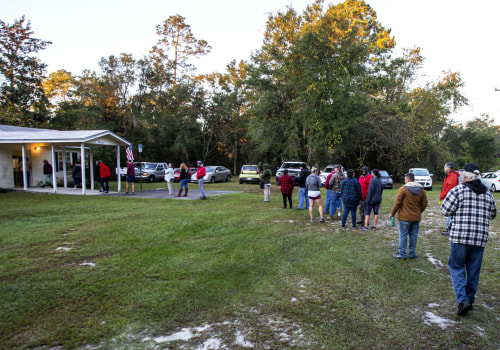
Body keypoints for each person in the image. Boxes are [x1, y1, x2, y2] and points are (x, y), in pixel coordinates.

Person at [441, 163, 497, 316]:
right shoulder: (487, 193)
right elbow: (493, 214)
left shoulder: (459, 190)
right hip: (479, 238)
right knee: (473, 270)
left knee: (457, 267)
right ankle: (469, 299)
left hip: (460, 237)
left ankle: (462, 300)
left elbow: (445, 210)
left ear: (464, 176)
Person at [390, 172, 428, 260]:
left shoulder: (403, 189)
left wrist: (392, 213)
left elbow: (397, 203)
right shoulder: (421, 190)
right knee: (413, 236)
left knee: (403, 235)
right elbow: (425, 203)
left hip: (404, 217)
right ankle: (412, 253)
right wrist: (419, 211)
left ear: (407, 180)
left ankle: (402, 253)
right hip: (416, 217)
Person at [439, 162, 460, 236]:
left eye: (445, 167)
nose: (444, 169)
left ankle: (449, 228)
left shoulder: (452, 176)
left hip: (451, 197)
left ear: (448, 168)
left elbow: (450, 188)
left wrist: (444, 195)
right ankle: (448, 228)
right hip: (448, 196)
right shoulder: (449, 175)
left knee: (450, 213)